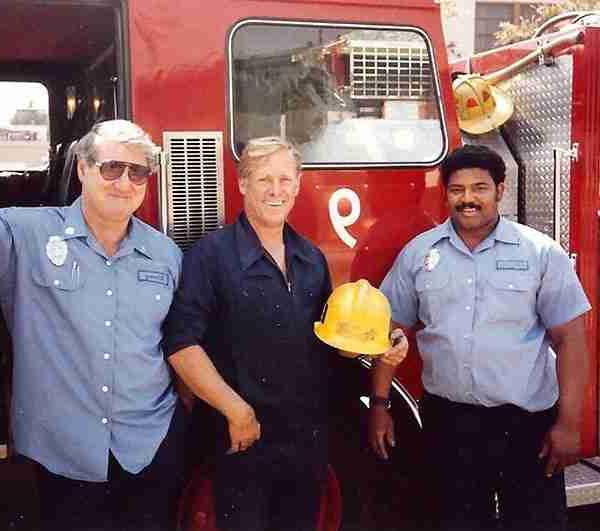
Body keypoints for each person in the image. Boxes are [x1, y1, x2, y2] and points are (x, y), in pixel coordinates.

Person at [163, 136, 407, 531]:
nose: (275, 191)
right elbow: (182, 344)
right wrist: (236, 411)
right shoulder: (210, 256)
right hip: (241, 436)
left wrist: (382, 347)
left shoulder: (310, 257)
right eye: (263, 180)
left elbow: (333, 345)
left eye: (284, 180)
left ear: (297, 184)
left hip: (306, 439)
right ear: (242, 184)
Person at [370, 144, 590, 531]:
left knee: (535, 523)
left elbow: (571, 339)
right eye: (457, 189)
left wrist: (569, 423)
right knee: (456, 521)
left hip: (527, 425)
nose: (467, 198)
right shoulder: (419, 254)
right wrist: (379, 404)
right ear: (446, 193)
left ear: (500, 190)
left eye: (479, 187)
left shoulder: (540, 253)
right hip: (449, 422)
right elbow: (388, 333)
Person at [0, 120, 186, 531]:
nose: (124, 182)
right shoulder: (22, 233)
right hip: (62, 451)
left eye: (137, 172)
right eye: (111, 168)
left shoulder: (166, 254)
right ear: (83, 168)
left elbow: (179, 344)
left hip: (148, 443)